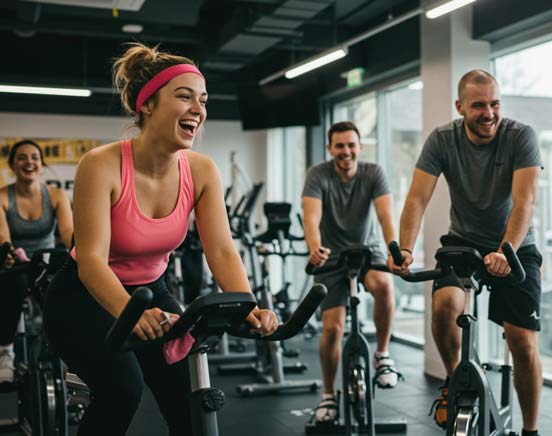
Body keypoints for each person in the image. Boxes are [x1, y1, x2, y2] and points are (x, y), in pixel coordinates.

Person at [42, 42, 279, 436]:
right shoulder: (101, 165)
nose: (198, 109)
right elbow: (92, 261)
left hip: (153, 290)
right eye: (184, 96)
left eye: (203, 100)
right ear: (147, 105)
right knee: (122, 389)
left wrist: (245, 306)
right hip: (83, 297)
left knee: (188, 400)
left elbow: (220, 248)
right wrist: (129, 312)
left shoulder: (201, 170)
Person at [389, 70, 544, 436]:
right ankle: (454, 380)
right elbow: (416, 198)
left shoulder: (521, 136)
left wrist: (507, 251)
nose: (489, 113)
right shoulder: (442, 139)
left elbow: (526, 201)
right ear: (460, 107)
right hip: (463, 241)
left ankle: (531, 430)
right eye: (478, 106)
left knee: (522, 342)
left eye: (494, 104)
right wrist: (405, 248)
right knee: (444, 308)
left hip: (516, 244)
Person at [303, 121, 403, 424]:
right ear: (330, 149)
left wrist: (393, 248)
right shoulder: (318, 174)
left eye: (351, 145)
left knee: (384, 286)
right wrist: (314, 246)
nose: (345, 151)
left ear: (359, 147)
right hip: (331, 255)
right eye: (339, 146)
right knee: (332, 328)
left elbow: (385, 214)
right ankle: (329, 395)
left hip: (367, 250)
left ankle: (382, 355)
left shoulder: (373, 173)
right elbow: (312, 215)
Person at [0, 139, 73, 384]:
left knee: (64, 288)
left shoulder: (55, 195)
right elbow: (3, 237)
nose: (28, 162)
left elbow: (67, 231)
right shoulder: (3, 196)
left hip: (45, 261)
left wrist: (82, 247)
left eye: (34, 157)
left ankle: (66, 351)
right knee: (16, 282)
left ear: (41, 164)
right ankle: (5, 354)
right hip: (14, 263)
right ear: (12, 164)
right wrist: (9, 251)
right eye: (21, 157)